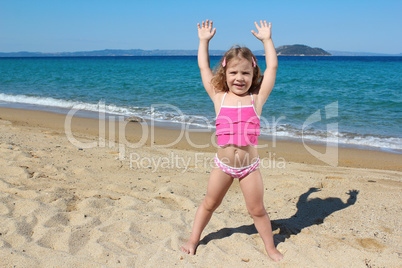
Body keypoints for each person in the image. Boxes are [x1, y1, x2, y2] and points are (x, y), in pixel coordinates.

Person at [181, 19, 283, 262]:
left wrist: (267, 40)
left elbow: (272, 70)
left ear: (253, 73)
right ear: (225, 74)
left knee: (257, 210)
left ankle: (270, 247)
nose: (240, 78)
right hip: (223, 166)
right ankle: (193, 239)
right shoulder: (219, 98)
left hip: (249, 168)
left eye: (246, 73)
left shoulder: (256, 99)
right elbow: (204, 68)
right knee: (209, 203)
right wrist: (203, 41)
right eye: (234, 72)